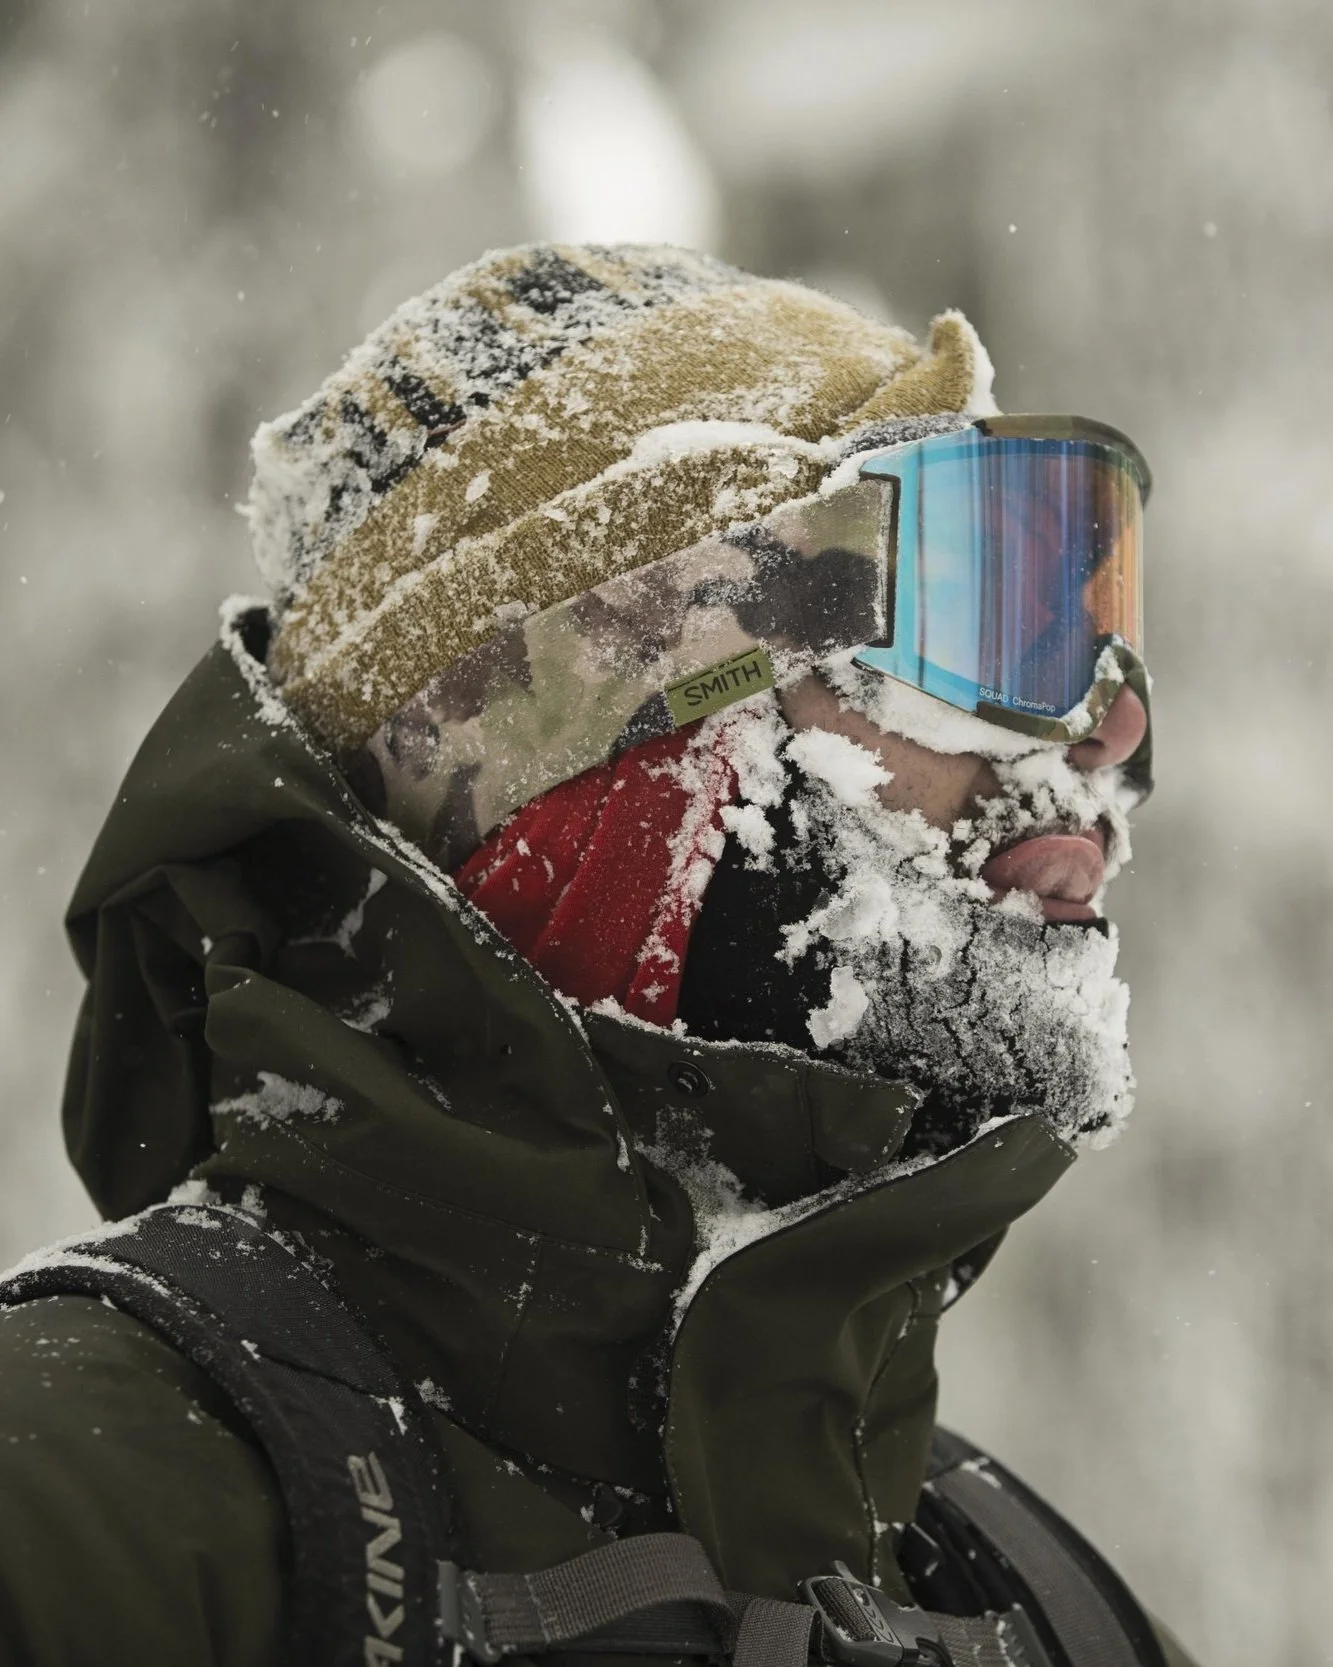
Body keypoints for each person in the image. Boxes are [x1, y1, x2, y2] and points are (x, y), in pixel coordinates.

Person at [0, 243, 1196, 1667]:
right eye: (983, 607)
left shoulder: (1053, 1613)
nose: (1112, 730)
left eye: (1096, 619)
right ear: (583, 742)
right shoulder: (74, 1520)